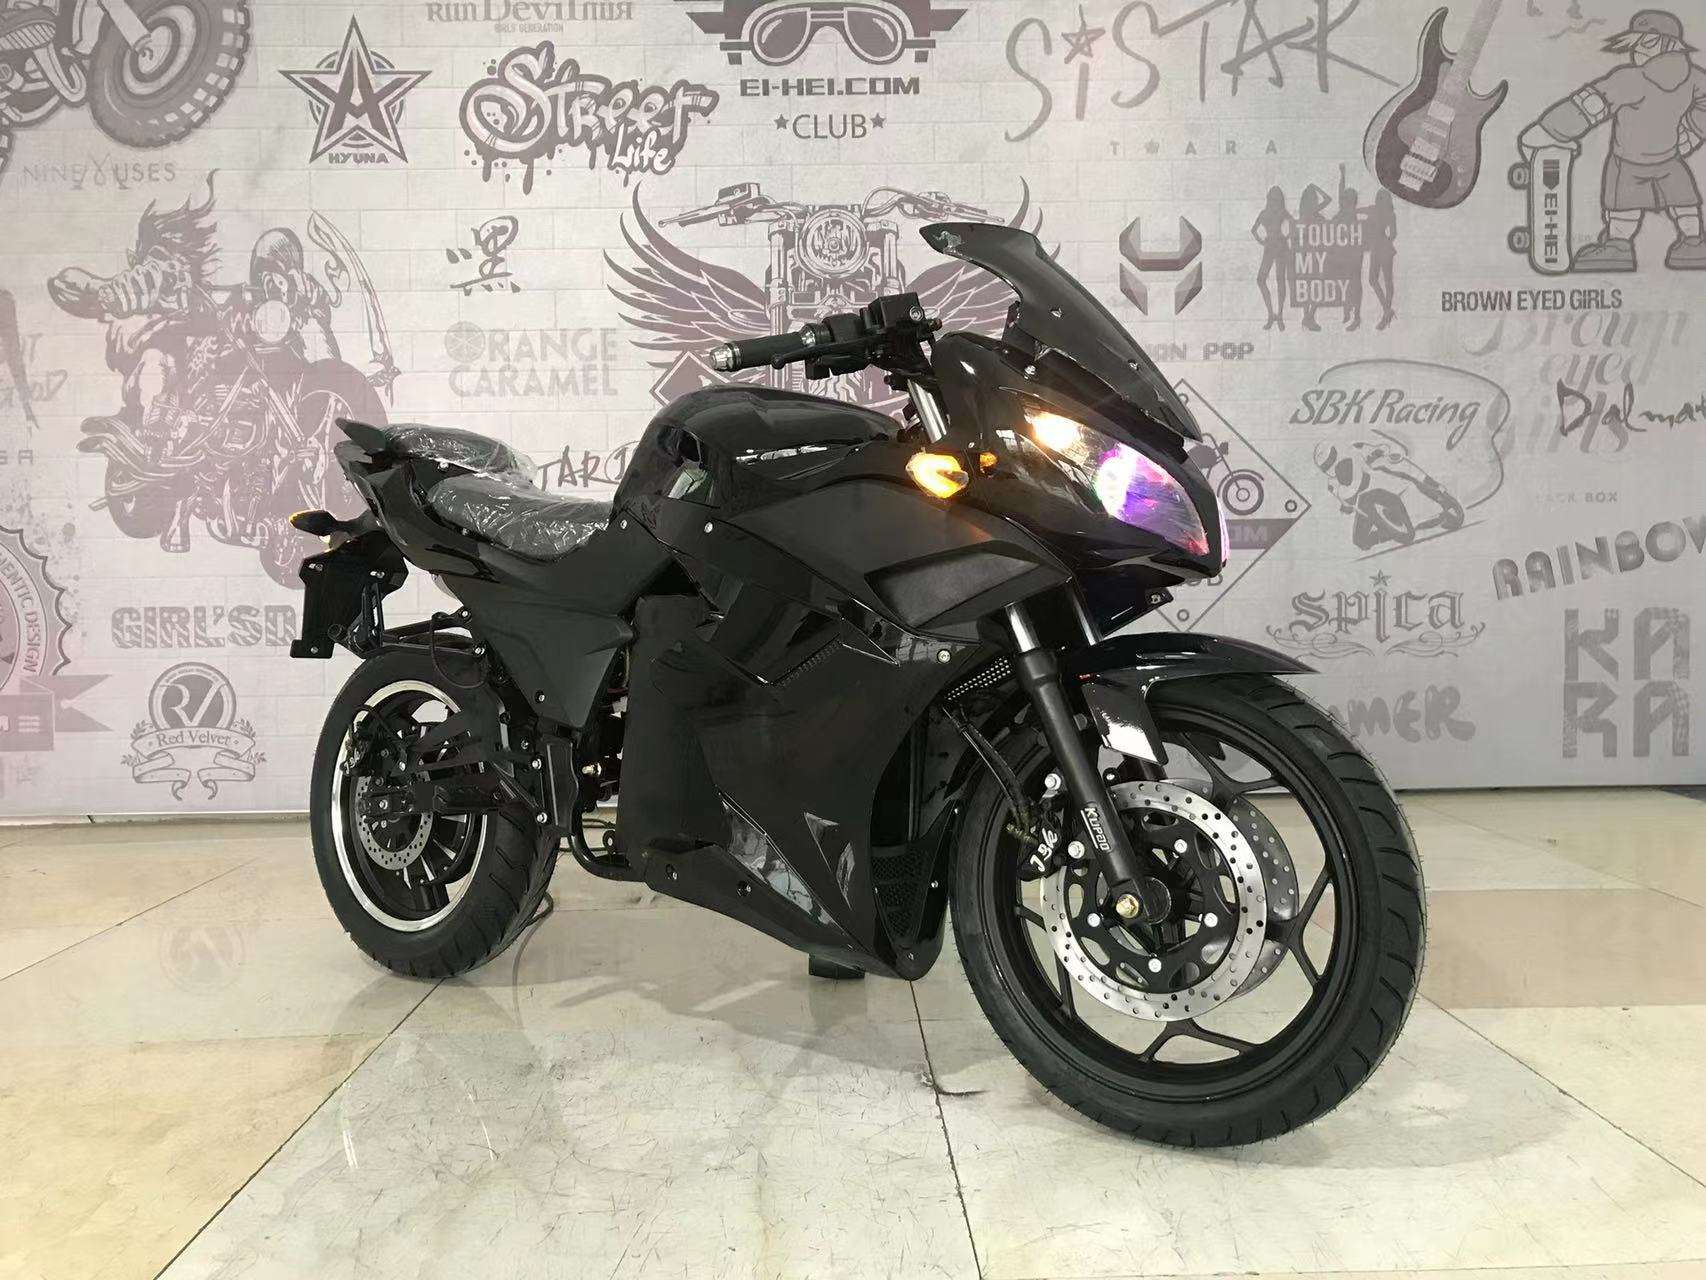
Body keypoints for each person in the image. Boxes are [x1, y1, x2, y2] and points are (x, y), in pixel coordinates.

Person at [1519, 9, 1706, 271]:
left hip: (1628, 162)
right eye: (1636, 43)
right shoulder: (1695, 77)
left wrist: (1549, 130)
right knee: (1683, 201)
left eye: (1645, 43)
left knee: (1623, 207)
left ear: (1668, 43)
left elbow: (1589, 106)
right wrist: (1692, 133)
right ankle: (1695, 242)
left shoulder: (1632, 79)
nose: (1637, 50)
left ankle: (1618, 248)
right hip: (1670, 160)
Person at [1251, 187, 1294, 331]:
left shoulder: (1279, 212)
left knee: (1280, 280)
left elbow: (1293, 223)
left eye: (1277, 199)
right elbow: (1253, 230)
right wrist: (1261, 241)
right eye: (1273, 199)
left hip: (1279, 246)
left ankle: (1279, 315)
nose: (1275, 202)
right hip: (1272, 246)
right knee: (1261, 279)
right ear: (1269, 199)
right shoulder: (1266, 213)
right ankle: (1271, 314)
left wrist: (1287, 236)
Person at [1366, 190, 1398, 330]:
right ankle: (1387, 311)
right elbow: (1393, 234)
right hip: (1384, 248)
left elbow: (1357, 211)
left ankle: (1386, 312)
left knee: (1375, 280)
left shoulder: (1373, 209)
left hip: (1377, 248)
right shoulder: (1390, 214)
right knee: (1385, 281)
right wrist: (1386, 242)